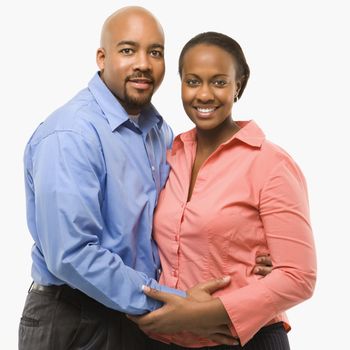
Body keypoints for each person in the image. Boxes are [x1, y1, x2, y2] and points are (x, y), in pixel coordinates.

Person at [18, 7, 273, 350]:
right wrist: (176, 305)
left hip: (140, 318)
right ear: (101, 57)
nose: (143, 63)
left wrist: (252, 250)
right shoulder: (71, 134)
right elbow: (72, 254)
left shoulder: (159, 133)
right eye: (127, 50)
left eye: (155, 52)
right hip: (75, 317)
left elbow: (180, 221)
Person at [129, 32, 317, 349]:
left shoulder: (270, 164)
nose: (204, 95)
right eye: (192, 82)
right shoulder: (170, 155)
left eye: (218, 82)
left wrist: (201, 314)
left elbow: (300, 276)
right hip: (166, 338)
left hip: (244, 340)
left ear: (238, 86)